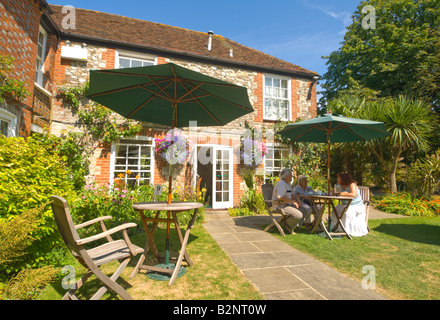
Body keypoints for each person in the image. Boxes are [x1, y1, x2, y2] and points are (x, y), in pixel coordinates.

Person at [272, 169, 311, 234]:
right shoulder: (282, 184)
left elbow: (290, 195)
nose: (292, 176)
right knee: (298, 215)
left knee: (304, 210)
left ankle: (293, 225)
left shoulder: (287, 184)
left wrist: (297, 198)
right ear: (286, 176)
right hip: (281, 205)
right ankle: (288, 226)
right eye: (290, 175)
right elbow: (280, 197)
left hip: (287, 204)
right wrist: (293, 201)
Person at [331, 172, 368, 237]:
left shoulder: (352, 184)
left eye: (339, 178)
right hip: (344, 205)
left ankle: (347, 230)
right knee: (334, 210)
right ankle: (336, 228)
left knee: (347, 213)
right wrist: (333, 192)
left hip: (356, 205)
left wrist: (343, 193)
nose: (337, 179)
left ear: (344, 179)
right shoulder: (338, 185)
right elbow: (332, 192)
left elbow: (354, 194)